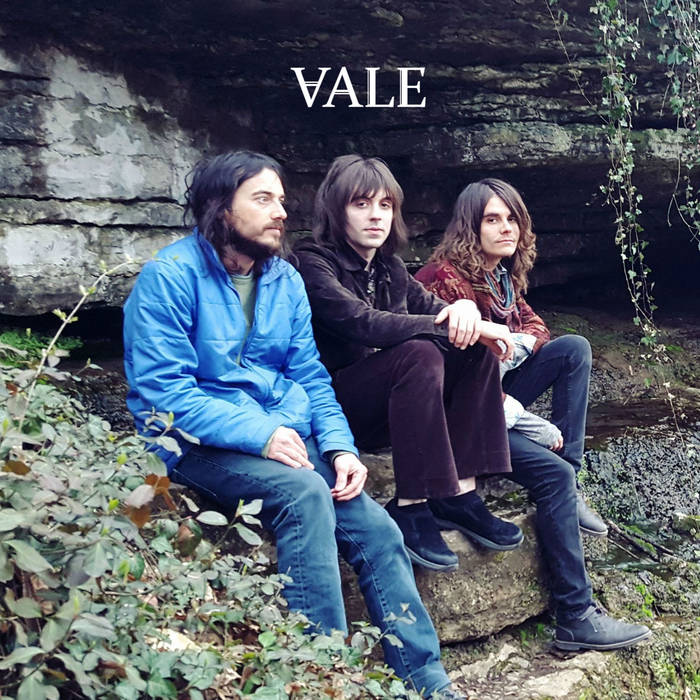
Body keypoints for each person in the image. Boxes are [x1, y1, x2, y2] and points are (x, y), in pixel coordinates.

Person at [122, 151, 465, 699]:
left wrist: (341, 448)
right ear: (220, 207)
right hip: (194, 441)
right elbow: (166, 396)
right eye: (262, 199)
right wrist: (259, 435)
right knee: (305, 495)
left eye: (281, 200)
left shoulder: (283, 278)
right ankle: (324, 678)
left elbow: (310, 376)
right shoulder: (169, 276)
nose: (280, 211)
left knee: (379, 531)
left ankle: (427, 681)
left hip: (283, 434)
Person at [416, 178, 652, 650]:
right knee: (551, 477)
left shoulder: (501, 275)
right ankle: (576, 616)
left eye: (512, 219)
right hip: (457, 419)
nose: (507, 228)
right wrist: (519, 411)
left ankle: (571, 472)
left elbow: (536, 327)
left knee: (572, 349)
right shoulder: (444, 279)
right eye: (492, 219)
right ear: (469, 227)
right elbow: (437, 374)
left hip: (492, 398)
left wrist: (514, 346)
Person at [294, 154, 524, 576]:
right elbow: (360, 322)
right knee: (421, 351)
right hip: (337, 408)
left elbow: (435, 308)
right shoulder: (311, 260)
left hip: (393, 407)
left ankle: (458, 495)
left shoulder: (390, 267)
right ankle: (412, 504)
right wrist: (449, 322)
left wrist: (468, 316)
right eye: (361, 204)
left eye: (385, 205)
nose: (376, 216)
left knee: (474, 347)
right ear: (336, 209)